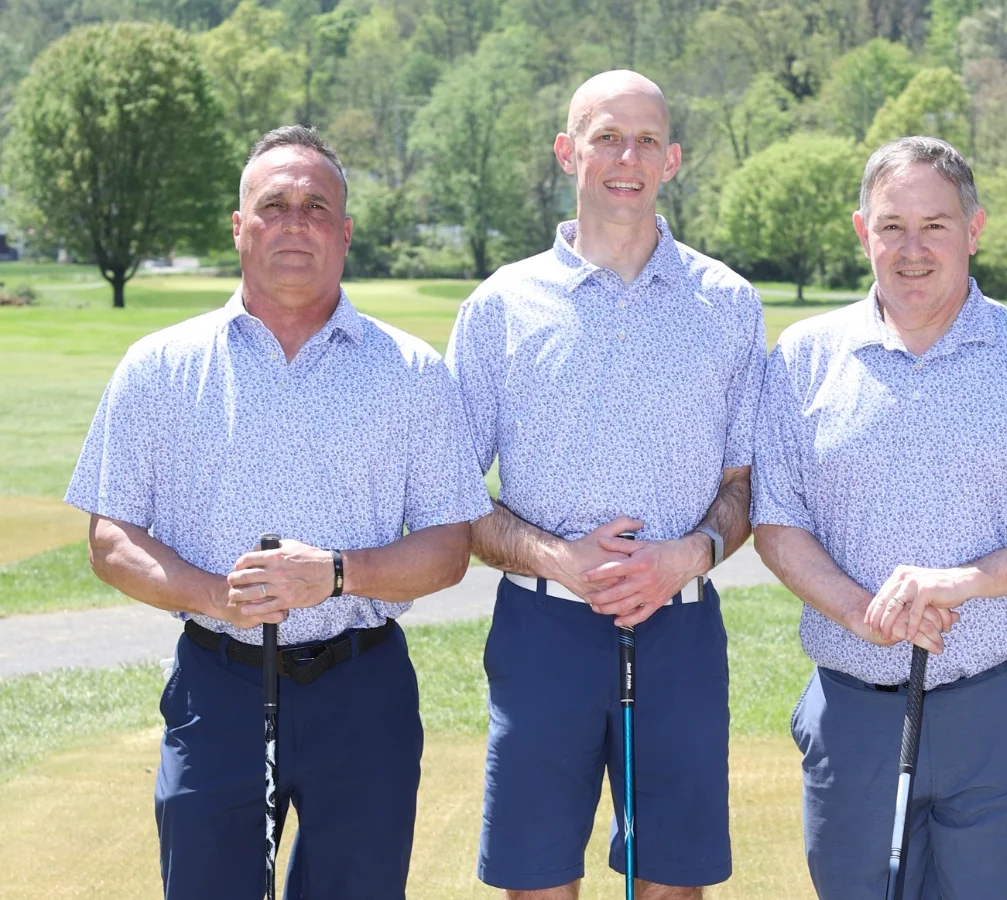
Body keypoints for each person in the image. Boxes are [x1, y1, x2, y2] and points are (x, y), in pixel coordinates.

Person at [65, 125, 493, 898]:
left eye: (316, 206)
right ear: (239, 227)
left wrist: (333, 574)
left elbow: (449, 545)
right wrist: (215, 594)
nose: (295, 222)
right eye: (274, 204)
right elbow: (109, 537)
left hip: (362, 693)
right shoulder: (161, 366)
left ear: (346, 232)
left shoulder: (412, 372)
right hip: (216, 686)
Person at [751, 136, 1007, 899]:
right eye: (892, 226)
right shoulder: (804, 358)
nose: (912, 250)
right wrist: (861, 612)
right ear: (862, 231)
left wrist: (967, 582)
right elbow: (778, 522)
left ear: (974, 228)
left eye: (936, 226)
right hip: (855, 709)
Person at [445, 70, 764, 899]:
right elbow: (452, 493)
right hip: (542, 632)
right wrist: (560, 559)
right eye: (607, 137)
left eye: (648, 140)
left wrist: (685, 556)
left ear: (673, 159)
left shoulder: (727, 303)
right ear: (567, 152)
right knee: (536, 881)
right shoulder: (500, 305)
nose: (629, 157)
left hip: (681, 634)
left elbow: (744, 481)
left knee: (673, 882)